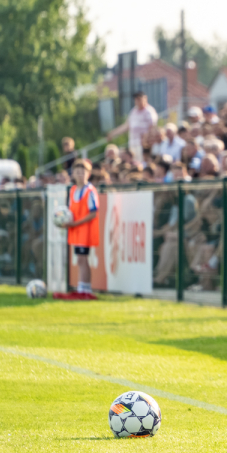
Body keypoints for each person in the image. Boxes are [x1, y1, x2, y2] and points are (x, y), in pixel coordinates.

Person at [62, 159, 100, 300]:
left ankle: (85, 289)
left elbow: (93, 212)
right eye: (77, 172)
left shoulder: (90, 191)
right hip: (76, 231)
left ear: (88, 174)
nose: (79, 174)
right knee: (80, 259)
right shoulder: (73, 190)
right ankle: (82, 287)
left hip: (85, 230)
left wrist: (76, 223)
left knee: (83, 259)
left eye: (82, 172)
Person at [107, 91, 158, 163]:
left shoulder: (149, 111)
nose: (138, 101)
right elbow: (126, 125)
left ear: (145, 98)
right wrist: (113, 133)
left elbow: (152, 127)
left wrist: (146, 141)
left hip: (143, 145)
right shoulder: (133, 111)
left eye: (139, 99)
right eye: (136, 99)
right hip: (133, 144)